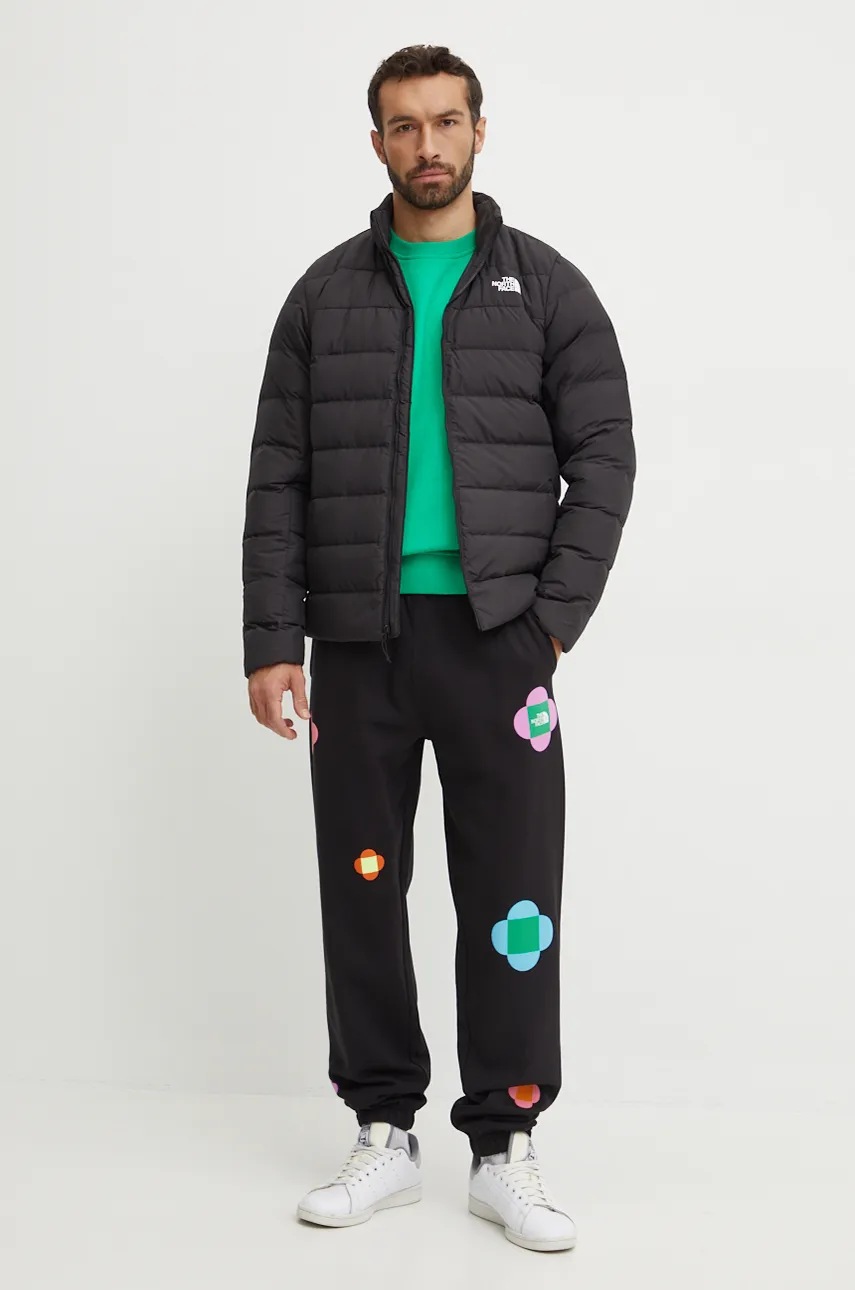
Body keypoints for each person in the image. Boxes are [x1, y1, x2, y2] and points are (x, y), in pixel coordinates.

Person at [242, 43, 635, 1253]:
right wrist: (273, 637)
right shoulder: (324, 296)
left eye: (447, 122)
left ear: (479, 132)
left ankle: (504, 1145)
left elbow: (605, 455)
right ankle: (383, 1130)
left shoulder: (546, 288)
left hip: (499, 642)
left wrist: (552, 619)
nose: (428, 145)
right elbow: (278, 475)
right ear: (376, 143)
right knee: (363, 887)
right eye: (405, 126)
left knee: (514, 893)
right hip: (358, 644)